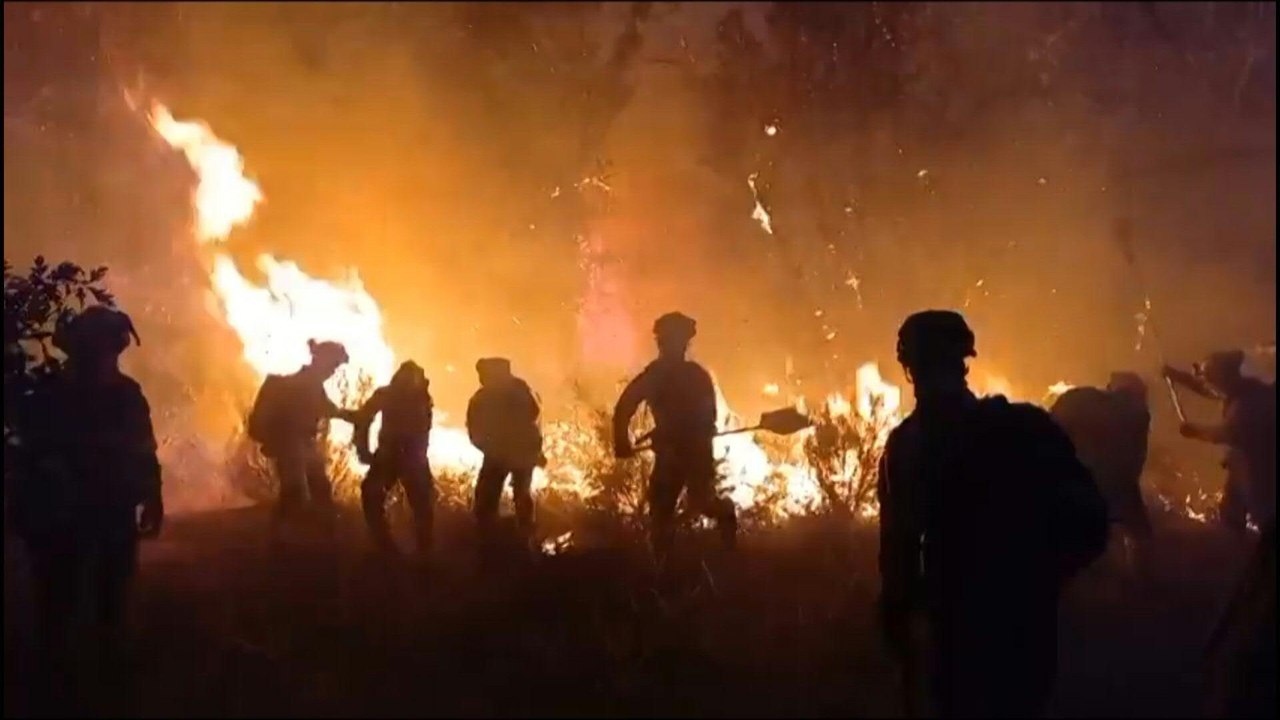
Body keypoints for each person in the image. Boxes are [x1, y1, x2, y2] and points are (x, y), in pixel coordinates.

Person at [877, 310, 1108, 718]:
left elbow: (898, 561)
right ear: (965, 360)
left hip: (954, 639)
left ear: (908, 369)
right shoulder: (1026, 427)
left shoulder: (906, 447)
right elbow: (1090, 521)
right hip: (1021, 629)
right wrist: (1044, 582)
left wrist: (903, 638)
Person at [8, 305, 163, 710]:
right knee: (59, 608)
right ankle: (60, 690)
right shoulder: (51, 397)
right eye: (107, 346)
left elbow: (143, 451)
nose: (111, 354)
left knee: (108, 604)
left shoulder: (124, 395)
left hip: (108, 515)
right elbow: (28, 456)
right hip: (62, 518)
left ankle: (103, 687)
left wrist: (152, 495)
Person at [613, 311, 737, 560]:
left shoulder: (694, 376)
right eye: (667, 339)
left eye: (673, 340)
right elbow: (624, 408)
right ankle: (663, 563)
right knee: (661, 509)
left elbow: (707, 416)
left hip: (694, 451)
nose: (669, 345)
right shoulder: (657, 375)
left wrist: (693, 433)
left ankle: (725, 525)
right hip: (671, 452)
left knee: (700, 503)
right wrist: (621, 441)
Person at [247, 339, 357, 529]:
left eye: (336, 366)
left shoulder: (311, 385)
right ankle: (282, 543)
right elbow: (325, 409)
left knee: (318, 492)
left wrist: (356, 416)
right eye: (333, 365)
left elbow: (330, 409)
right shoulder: (302, 384)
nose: (333, 371)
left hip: (303, 446)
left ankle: (300, 539)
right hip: (291, 446)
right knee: (296, 495)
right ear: (321, 361)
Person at [1050, 372, 1154, 570]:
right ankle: (1141, 581)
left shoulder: (1078, 398)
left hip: (1072, 478)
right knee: (1141, 535)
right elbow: (1134, 460)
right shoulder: (1138, 413)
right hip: (1112, 483)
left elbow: (1050, 429)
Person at [1163, 351, 1275, 533]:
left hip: (1257, 468)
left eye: (1209, 376)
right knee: (1232, 513)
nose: (1205, 380)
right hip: (1243, 464)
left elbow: (1228, 433)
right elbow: (1208, 389)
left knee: (1264, 516)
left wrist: (1196, 431)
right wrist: (1177, 375)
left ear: (1223, 377)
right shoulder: (1244, 388)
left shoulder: (1247, 403)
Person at [353, 361, 435, 557]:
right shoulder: (412, 395)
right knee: (375, 496)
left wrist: (363, 449)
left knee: (421, 505)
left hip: (405, 458)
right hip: (397, 457)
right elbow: (364, 419)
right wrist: (363, 449)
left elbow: (363, 419)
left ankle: (417, 551)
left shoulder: (420, 397)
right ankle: (389, 546)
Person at [466, 357, 543, 552]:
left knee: (508, 497)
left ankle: (510, 541)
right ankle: (509, 541)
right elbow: (533, 414)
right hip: (507, 453)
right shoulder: (516, 390)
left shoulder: (501, 394)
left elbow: (532, 416)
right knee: (511, 496)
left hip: (509, 453)